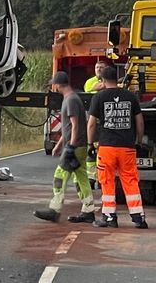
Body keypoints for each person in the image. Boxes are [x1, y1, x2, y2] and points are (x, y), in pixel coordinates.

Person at [87, 65, 148, 228]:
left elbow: (92, 124)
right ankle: (138, 218)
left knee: (107, 180)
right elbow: (140, 121)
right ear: (117, 78)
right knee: (130, 180)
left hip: (106, 147)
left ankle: (109, 217)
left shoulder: (98, 97)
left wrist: (89, 144)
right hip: (127, 147)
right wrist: (139, 141)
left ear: (102, 80)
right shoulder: (130, 96)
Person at [33, 71, 96, 224]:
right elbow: (68, 128)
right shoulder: (72, 98)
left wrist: (70, 147)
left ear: (58, 85)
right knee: (81, 178)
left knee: (59, 176)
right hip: (78, 146)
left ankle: (54, 209)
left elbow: (75, 126)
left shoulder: (71, 100)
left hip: (75, 146)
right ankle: (88, 209)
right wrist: (59, 145)